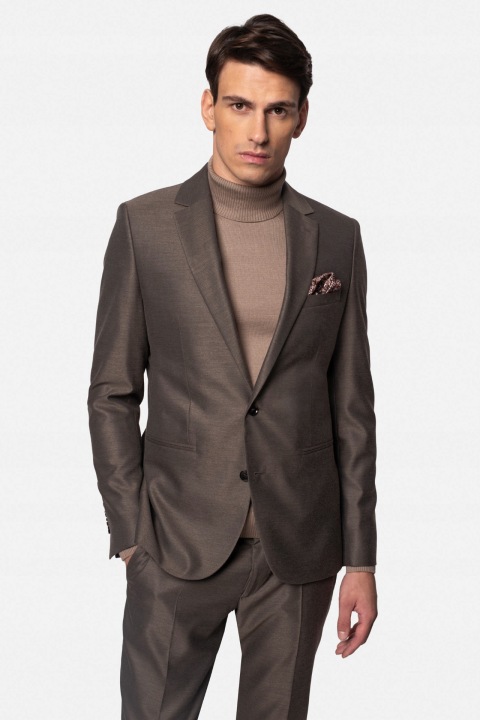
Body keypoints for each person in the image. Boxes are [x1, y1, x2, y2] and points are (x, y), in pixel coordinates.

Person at [88, 13, 377, 720]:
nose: (258, 131)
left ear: (301, 118)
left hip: (298, 550)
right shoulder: (146, 226)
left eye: (278, 110)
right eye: (241, 105)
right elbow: (112, 392)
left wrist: (362, 559)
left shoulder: (336, 238)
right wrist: (131, 534)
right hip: (174, 541)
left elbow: (351, 408)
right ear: (208, 106)